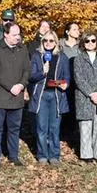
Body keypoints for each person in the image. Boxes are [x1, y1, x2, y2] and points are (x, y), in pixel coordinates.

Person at [0, 22, 29, 167]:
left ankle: (13, 155)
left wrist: (21, 84)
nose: (18, 37)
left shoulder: (22, 49)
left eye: (19, 34)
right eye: (14, 35)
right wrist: (10, 86)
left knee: (14, 128)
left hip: (17, 96)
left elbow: (26, 70)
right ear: (5, 34)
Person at [28, 30, 70, 165]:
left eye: (51, 40)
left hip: (56, 95)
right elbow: (31, 76)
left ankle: (54, 155)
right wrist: (43, 72)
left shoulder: (62, 57)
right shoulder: (36, 56)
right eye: (45, 40)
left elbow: (67, 76)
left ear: (56, 42)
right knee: (41, 127)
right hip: (42, 95)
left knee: (54, 127)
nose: (48, 43)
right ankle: (42, 154)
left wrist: (66, 84)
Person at [73, 31, 97, 163]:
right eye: (87, 41)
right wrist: (90, 93)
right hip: (85, 97)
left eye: (93, 40)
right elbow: (78, 78)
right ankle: (86, 154)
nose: (90, 43)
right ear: (83, 43)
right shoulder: (78, 59)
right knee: (86, 126)